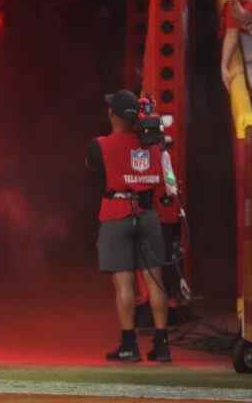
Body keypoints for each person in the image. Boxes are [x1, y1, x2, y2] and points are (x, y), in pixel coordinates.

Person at [86, 90, 171, 363]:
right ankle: (163, 345)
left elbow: (94, 172)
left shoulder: (99, 144)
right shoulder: (155, 145)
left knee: (123, 284)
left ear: (112, 115)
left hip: (116, 214)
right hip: (147, 214)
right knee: (154, 279)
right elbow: (165, 178)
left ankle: (128, 345)